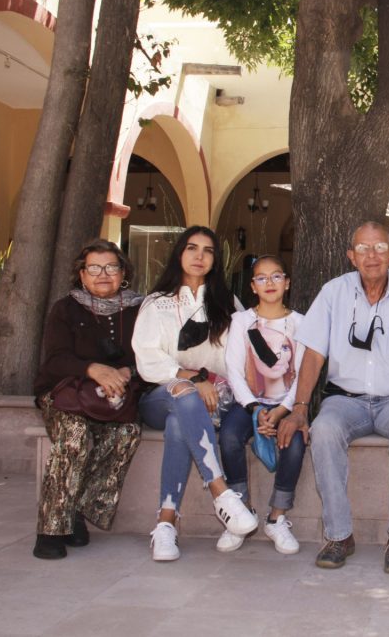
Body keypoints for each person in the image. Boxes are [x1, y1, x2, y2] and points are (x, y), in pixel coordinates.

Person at [278, 221, 389, 574]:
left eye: (378, 248)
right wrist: (299, 408)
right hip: (345, 399)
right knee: (324, 431)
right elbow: (312, 355)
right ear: (350, 256)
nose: (371, 256)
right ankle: (339, 535)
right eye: (362, 249)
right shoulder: (333, 293)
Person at [132, 226, 258, 561]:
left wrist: (211, 383)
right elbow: (147, 358)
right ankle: (220, 491)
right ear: (179, 254)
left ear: (216, 260)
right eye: (192, 248)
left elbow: (237, 358)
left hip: (212, 399)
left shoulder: (227, 304)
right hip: (161, 395)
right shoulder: (156, 303)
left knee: (179, 425)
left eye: (208, 250)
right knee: (184, 396)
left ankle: (165, 525)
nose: (199, 256)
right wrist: (190, 376)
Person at [32, 240, 144, 560]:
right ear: (82, 275)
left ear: (123, 272)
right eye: (94, 268)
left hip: (115, 398)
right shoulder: (65, 308)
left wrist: (126, 372)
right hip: (64, 394)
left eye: (111, 267)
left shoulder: (139, 309)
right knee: (76, 437)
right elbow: (54, 361)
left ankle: (77, 511)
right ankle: (51, 529)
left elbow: (151, 357)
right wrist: (93, 369)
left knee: (128, 433)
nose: (103, 274)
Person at [223, 254, 307, 555]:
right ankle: (241, 512)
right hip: (249, 404)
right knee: (230, 436)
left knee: (294, 440)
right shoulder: (241, 321)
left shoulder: (300, 324)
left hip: (286, 405)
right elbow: (233, 369)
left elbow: (301, 374)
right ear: (253, 286)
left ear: (287, 282)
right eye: (261, 277)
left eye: (276, 276)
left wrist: (282, 411)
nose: (269, 282)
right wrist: (254, 409)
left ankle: (277, 516)